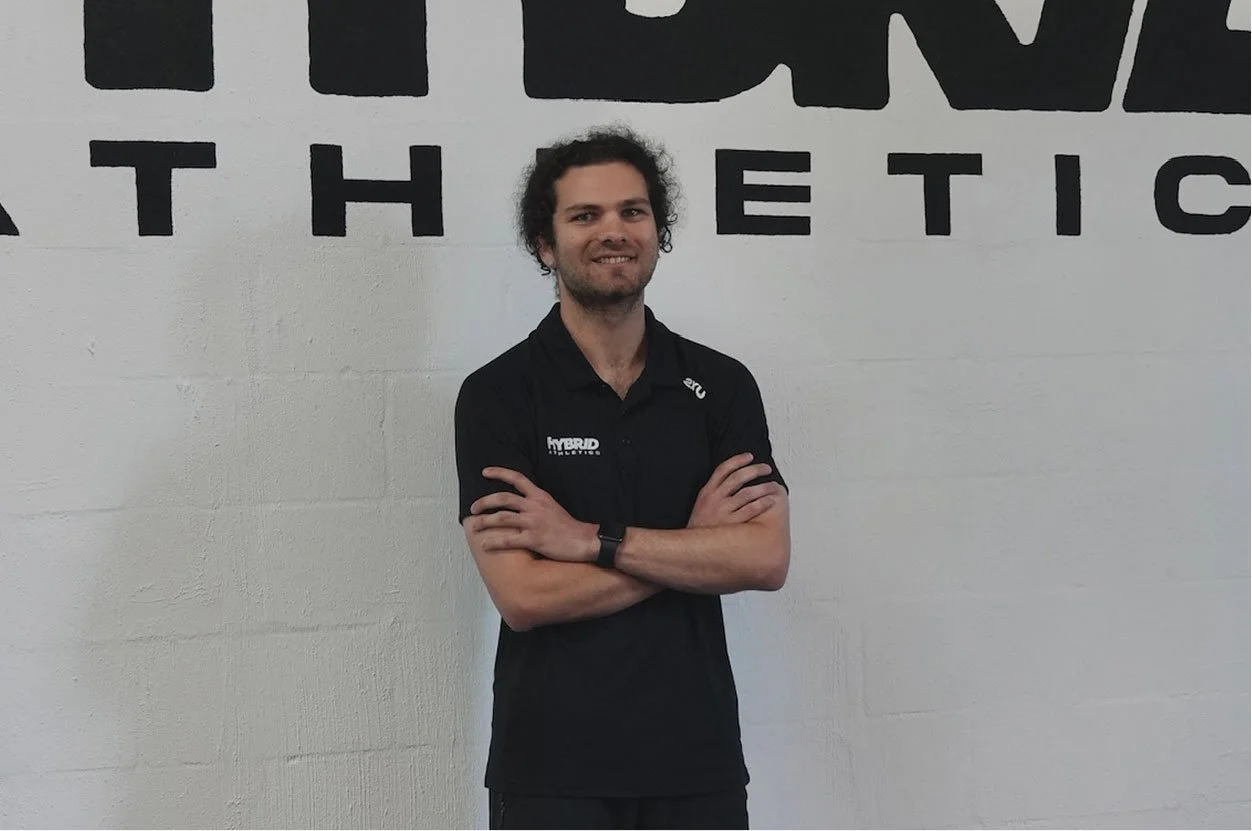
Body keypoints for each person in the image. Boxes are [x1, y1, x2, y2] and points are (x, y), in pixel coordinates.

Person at [453, 125, 791, 830]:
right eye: (585, 215)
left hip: (697, 765)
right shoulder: (498, 395)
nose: (614, 231)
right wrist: (690, 547)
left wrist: (589, 539)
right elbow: (524, 594)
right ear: (544, 244)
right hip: (552, 770)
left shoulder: (721, 387)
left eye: (633, 212)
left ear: (657, 231)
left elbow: (762, 556)